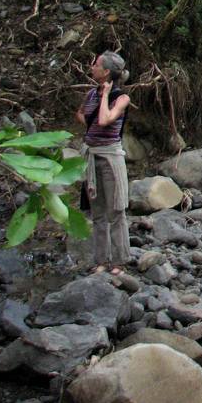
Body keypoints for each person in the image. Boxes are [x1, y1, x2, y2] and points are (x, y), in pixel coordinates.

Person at [75, 51, 131, 275]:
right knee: (97, 212)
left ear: (106, 71)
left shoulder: (122, 98)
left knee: (116, 210)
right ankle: (100, 260)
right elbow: (81, 114)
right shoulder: (90, 94)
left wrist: (106, 96)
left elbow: (105, 119)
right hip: (92, 156)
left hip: (111, 157)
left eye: (96, 64)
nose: (92, 67)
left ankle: (119, 261)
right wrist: (92, 133)